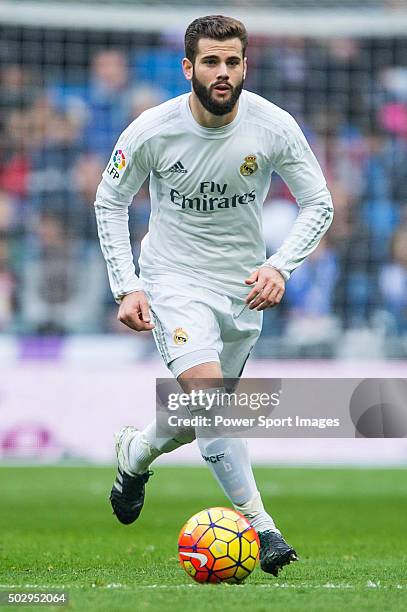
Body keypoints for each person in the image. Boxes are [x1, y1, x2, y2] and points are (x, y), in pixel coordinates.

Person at [94, 15, 333, 577]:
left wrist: (280, 266)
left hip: (242, 291)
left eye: (232, 61)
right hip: (173, 280)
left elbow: (318, 202)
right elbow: (110, 201)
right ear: (188, 67)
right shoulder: (152, 130)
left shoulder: (272, 126)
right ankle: (261, 526)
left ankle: (134, 455)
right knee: (209, 402)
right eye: (210, 62)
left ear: (245, 64)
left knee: (198, 413)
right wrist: (126, 285)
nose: (222, 73)